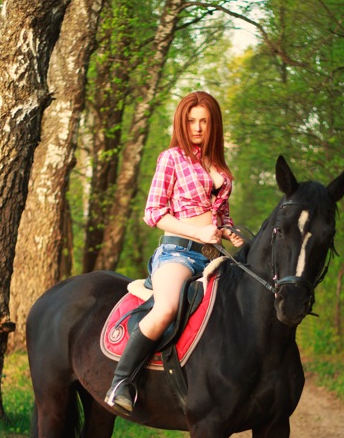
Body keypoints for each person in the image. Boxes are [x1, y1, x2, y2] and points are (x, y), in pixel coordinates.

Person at [105, 91, 245, 414]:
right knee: (166, 308)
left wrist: (227, 230)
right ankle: (121, 382)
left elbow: (220, 215)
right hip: (178, 253)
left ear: (214, 125)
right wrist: (197, 231)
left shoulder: (221, 168)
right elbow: (152, 212)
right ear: (182, 123)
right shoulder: (172, 158)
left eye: (204, 121)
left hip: (214, 256)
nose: (197, 128)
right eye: (191, 121)